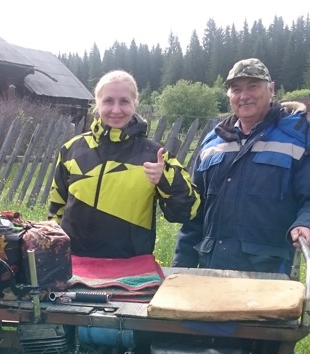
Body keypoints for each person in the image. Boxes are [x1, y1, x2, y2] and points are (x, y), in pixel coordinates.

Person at [173, 58, 310, 354]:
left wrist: (308, 227)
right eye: (236, 88)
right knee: (207, 350)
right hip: (210, 270)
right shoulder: (213, 140)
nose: (243, 95)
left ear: (271, 89)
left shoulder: (299, 136)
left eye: (252, 86)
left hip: (267, 274)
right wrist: (181, 266)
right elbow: (196, 211)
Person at [49, 70, 199, 259]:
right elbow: (56, 209)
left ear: (135, 104)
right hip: (75, 263)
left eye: (124, 101)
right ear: (98, 104)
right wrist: (54, 249)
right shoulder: (72, 149)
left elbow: (188, 211)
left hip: (131, 266)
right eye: (109, 101)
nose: (116, 110)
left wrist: (166, 179)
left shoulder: (155, 155)